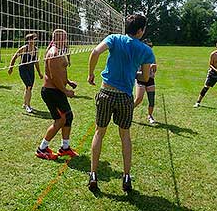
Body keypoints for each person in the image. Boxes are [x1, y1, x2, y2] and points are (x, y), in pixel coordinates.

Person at [87, 14, 155, 193]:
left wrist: (91, 74)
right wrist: (133, 72)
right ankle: (126, 176)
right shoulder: (146, 50)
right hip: (124, 97)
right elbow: (145, 78)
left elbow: (95, 52)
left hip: (105, 93)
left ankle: (93, 174)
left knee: (99, 133)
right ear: (140, 30)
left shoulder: (114, 38)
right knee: (125, 136)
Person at [35, 29, 78, 160]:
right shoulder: (54, 53)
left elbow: (60, 72)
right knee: (60, 120)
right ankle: (41, 149)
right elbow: (53, 77)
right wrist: (66, 91)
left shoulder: (59, 51)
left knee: (68, 117)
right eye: (65, 38)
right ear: (59, 38)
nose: (66, 41)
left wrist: (68, 82)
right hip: (52, 92)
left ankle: (65, 148)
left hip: (57, 90)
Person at [8, 33, 43, 113]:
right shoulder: (24, 48)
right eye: (33, 39)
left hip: (31, 69)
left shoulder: (36, 49)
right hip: (23, 69)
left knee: (29, 87)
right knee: (29, 86)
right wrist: (11, 67)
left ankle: (24, 103)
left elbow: (36, 62)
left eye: (35, 39)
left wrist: (39, 73)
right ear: (28, 40)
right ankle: (28, 106)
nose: (35, 40)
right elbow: (14, 57)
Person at [193, 40, 217, 111]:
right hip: (213, 72)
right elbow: (210, 64)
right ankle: (198, 102)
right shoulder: (213, 54)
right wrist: (216, 71)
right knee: (206, 87)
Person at [134, 39, 157, 124]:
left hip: (150, 79)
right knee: (139, 99)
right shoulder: (138, 55)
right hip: (141, 80)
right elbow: (134, 71)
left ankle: (150, 116)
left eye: (151, 46)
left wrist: (153, 67)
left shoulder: (152, 56)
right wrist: (145, 70)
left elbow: (155, 70)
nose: (150, 48)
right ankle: (128, 112)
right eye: (149, 46)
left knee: (151, 100)